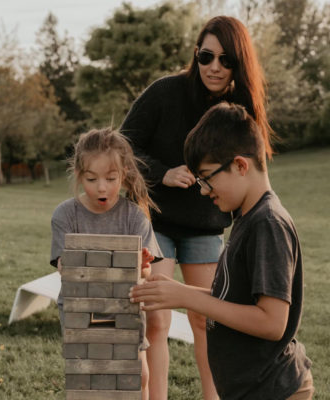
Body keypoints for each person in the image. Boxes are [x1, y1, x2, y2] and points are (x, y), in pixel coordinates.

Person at [121, 15, 274, 400]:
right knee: (156, 320)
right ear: (196, 55)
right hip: (155, 222)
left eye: (226, 60)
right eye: (207, 57)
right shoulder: (163, 93)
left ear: (238, 64)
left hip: (206, 227)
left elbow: (249, 173)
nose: (215, 67)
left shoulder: (241, 109)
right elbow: (122, 150)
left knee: (207, 319)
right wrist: (162, 174)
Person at [129, 102, 314, 400]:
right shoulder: (247, 217)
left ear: (240, 165)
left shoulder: (268, 224)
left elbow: (271, 322)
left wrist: (187, 297)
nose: (202, 190)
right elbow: (232, 301)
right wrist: (177, 291)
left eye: (207, 177)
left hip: (273, 390)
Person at [50, 128, 163, 400]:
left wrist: (141, 265)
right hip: (82, 311)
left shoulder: (135, 217)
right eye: (92, 178)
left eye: (111, 178)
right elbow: (65, 267)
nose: (102, 187)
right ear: (79, 175)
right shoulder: (66, 215)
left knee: (138, 375)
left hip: (125, 309)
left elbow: (146, 272)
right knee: (88, 378)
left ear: (124, 175)